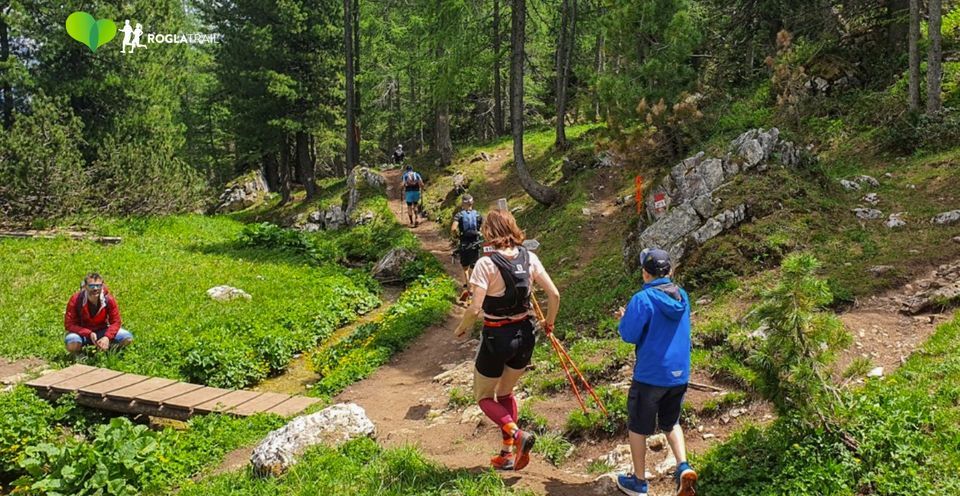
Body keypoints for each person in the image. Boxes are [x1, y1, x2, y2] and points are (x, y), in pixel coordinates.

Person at [453, 209, 560, 472]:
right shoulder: (530, 257)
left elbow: (474, 308)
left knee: (483, 396)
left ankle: (517, 434)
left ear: (488, 232)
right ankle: (506, 454)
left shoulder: (485, 264)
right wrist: (549, 322)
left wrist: (461, 328)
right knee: (506, 392)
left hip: (497, 336)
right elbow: (554, 294)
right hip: (526, 334)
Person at [614, 248, 697, 496]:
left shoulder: (643, 299)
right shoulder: (681, 296)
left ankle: (639, 482)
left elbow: (628, 334)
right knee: (671, 421)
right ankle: (683, 466)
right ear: (670, 271)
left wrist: (624, 318)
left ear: (645, 273)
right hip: (679, 374)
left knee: (638, 425)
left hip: (650, 376)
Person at [64, 273, 133, 354]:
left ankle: (107, 348)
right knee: (72, 343)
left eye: (98, 286)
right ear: (85, 286)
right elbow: (69, 324)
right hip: (81, 333)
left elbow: (116, 322)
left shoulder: (109, 299)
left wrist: (107, 337)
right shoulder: (75, 299)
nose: (95, 289)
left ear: (102, 285)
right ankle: (78, 355)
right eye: (91, 286)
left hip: (101, 330)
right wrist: (88, 333)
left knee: (127, 338)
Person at [450, 194, 483, 302]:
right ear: (472, 203)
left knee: (465, 268)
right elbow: (482, 229)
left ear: (463, 203)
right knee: (474, 267)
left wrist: (457, 237)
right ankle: (472, 289)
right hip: (476, 243)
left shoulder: (459, 215)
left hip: (464, 243)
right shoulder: (478, 215)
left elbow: (454, 229)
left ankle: (468, 288)